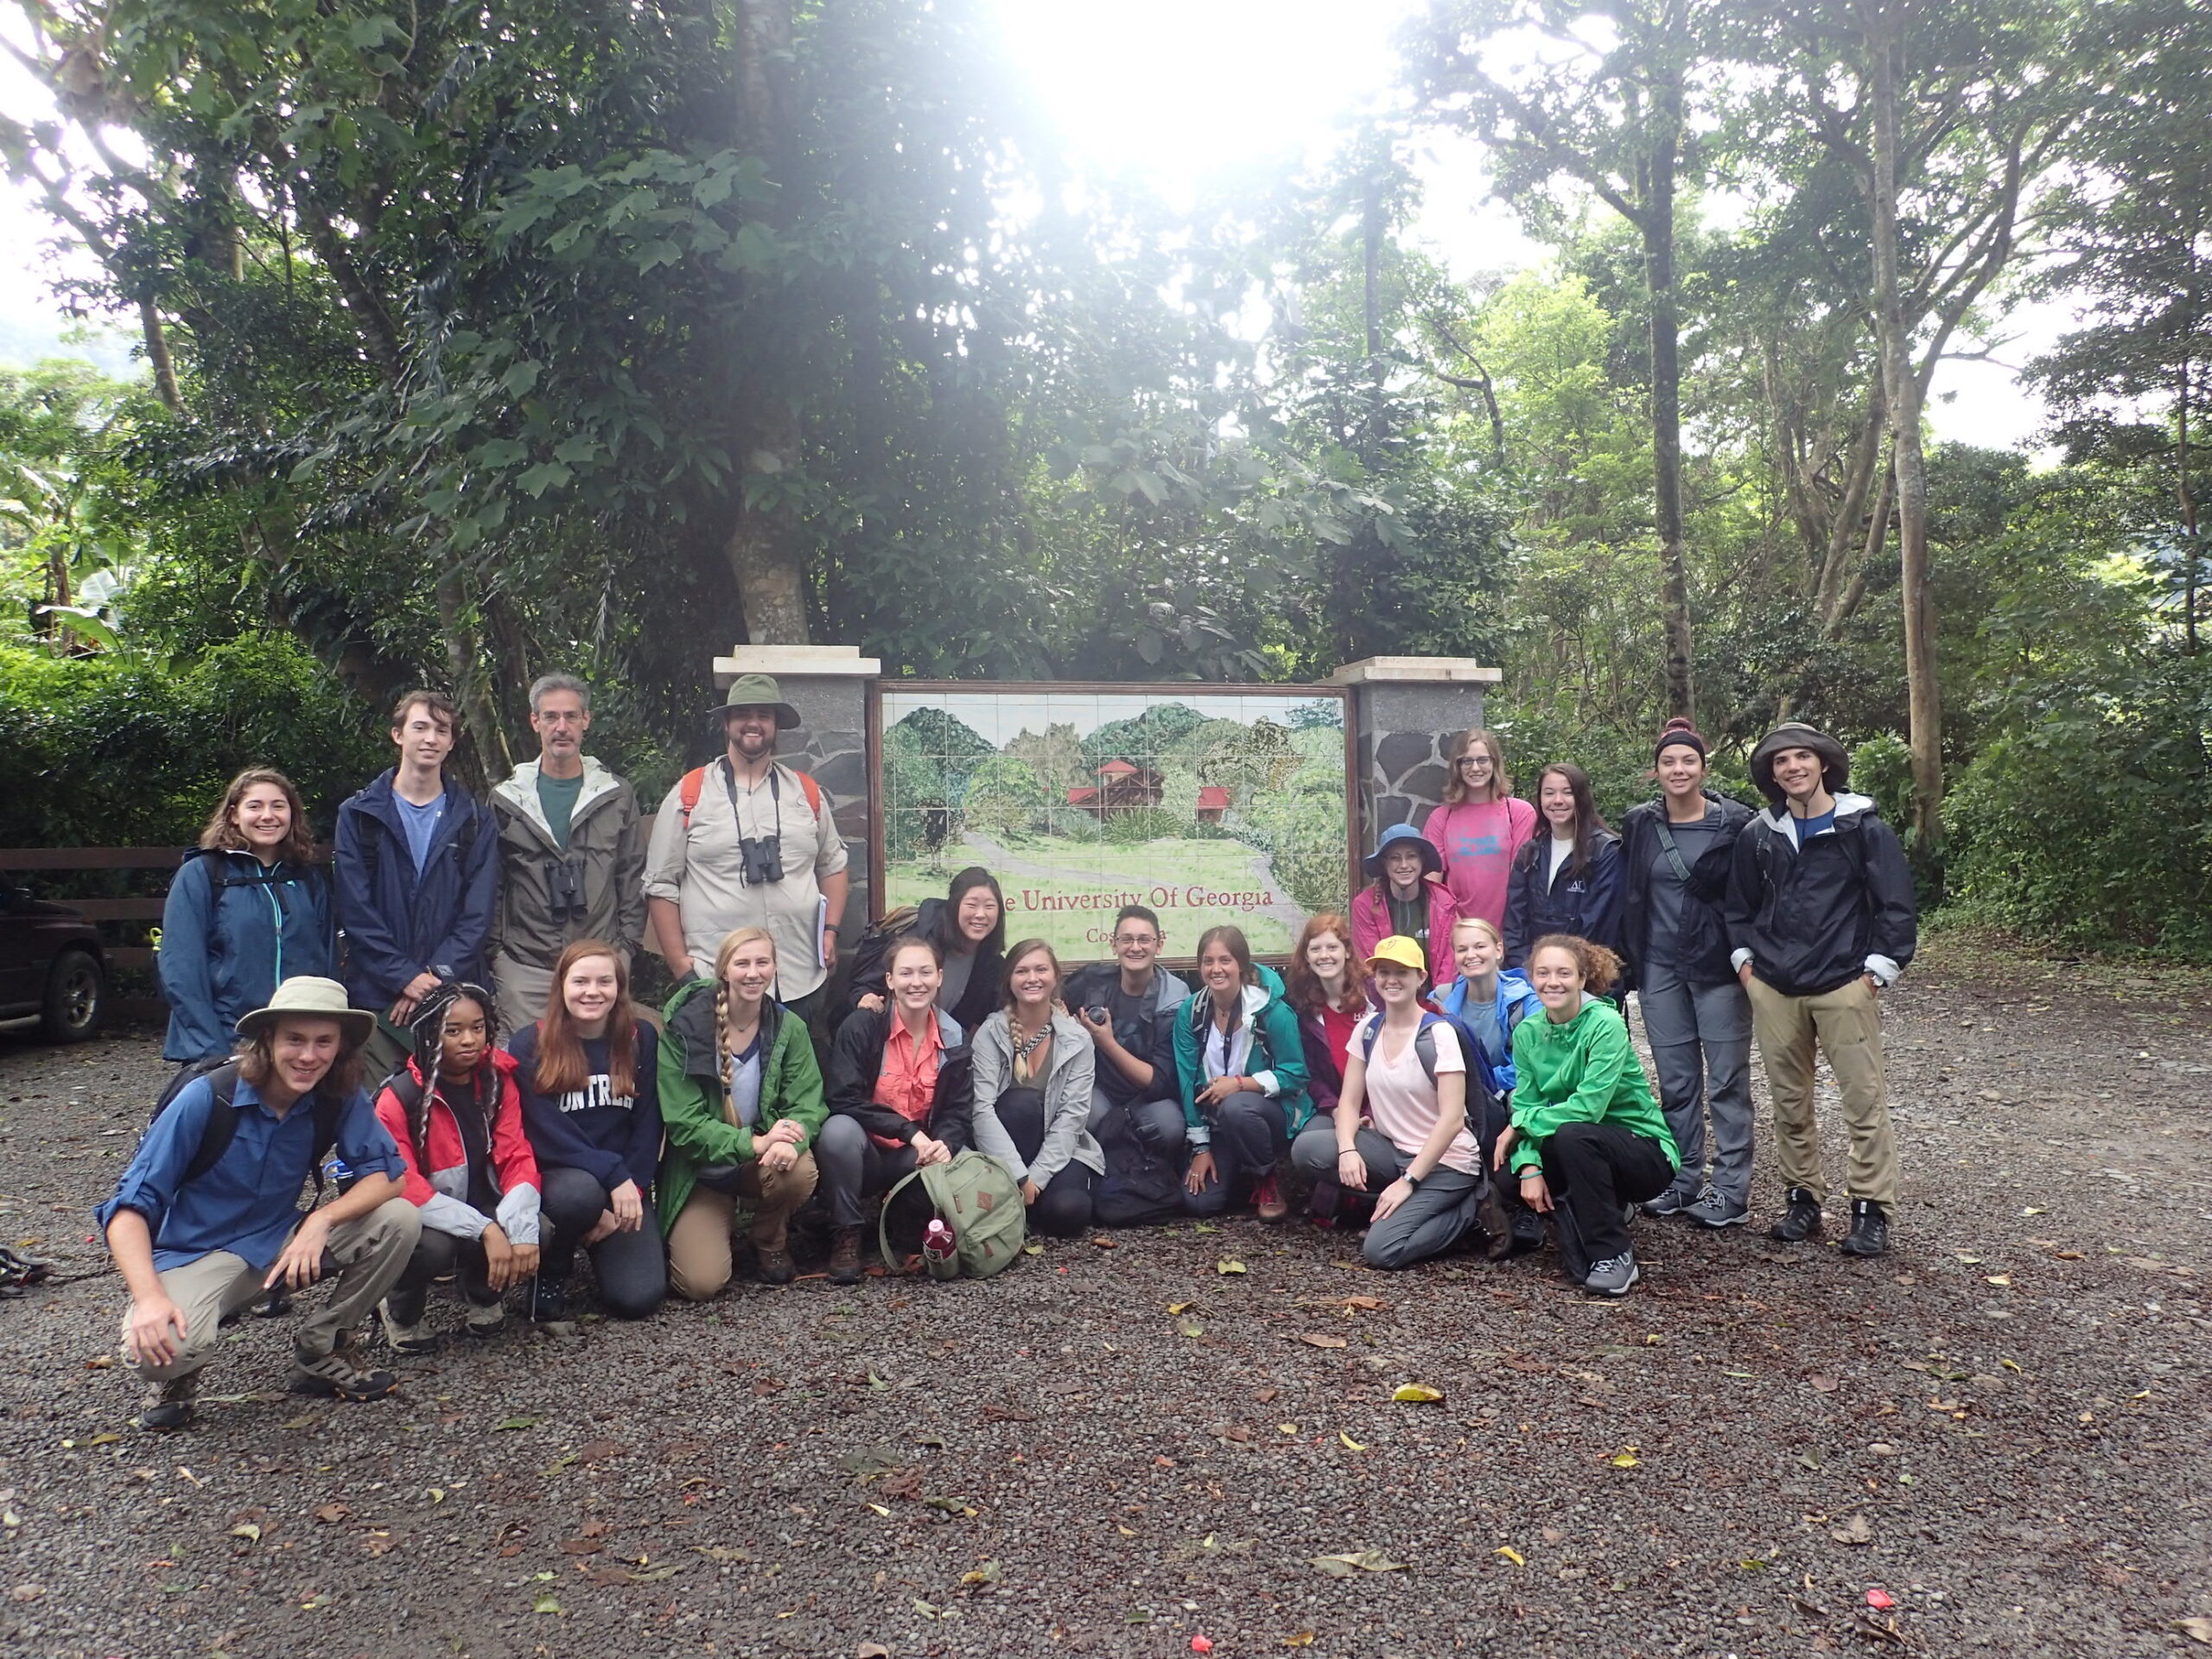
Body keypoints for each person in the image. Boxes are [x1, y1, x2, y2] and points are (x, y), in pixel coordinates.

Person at [96, 976, 421, 1429]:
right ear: (266, 1040)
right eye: (295, 1039)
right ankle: (180, 1375)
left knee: (398, 1220)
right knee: (158, 1353)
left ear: (340, 1047)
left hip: (278, 1245)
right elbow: (128, 1208)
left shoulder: (337, 1095)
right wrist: (149, 1297)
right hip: (197, 1252)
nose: (309, 1056)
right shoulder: (207, 1098)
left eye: (324, 1042)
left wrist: (320, 1221)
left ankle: (322, 1348)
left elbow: (389, 1180)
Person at [1725, 721, 1917, 1256]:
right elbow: (1738, 908)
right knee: (1789, 1100)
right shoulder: (1760, 834)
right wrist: (1747, 969)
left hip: (1843, 985)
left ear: (1823, 763)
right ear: (1772, 774)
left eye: (1802, 757)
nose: (1793, 768)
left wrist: (1876, 974)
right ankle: (1802, 1199)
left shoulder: (1862, 828)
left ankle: (1870, 1209)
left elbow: (1896, 905)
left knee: (1863, 1100)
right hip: (1775, 986)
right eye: (1781, 761)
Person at [644, 674, 849, 1028]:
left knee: (796, 1079)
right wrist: (681, 968)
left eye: (764, 715)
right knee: (722, 1081)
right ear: (727, 723)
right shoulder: (690, 793)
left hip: (799, 975)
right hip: (717, 978)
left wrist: (830, 932)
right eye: (742, 714)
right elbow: (661, 884)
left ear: (775, 726)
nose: (753, 723)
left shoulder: (805, 792)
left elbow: (833, 865)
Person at [1620, 718, 1757, 1228]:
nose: (1678, 769)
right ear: (1655, 771)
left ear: (1703, 767)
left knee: (1726, 1081)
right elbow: (1628, 891)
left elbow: (1752, 896)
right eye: (1668, 761)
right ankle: (1682, 1177)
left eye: (1688, 760)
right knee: (1676, 1082)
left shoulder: (1738, 825)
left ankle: (1731, 1187)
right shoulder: (1641, 825)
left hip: (1718, 969)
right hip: (1659, 968)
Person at [1290, 938, 1490, 1269]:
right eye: (1383, 972)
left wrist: (1407, 1182)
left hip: (1446, 1163)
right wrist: (1347, 1150)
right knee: (1308, 1148)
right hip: (1393, 1148)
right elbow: (1349, 1103)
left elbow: (1453, 1119)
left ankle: (1468, 1214)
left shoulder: (1438, 1034)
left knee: (1381, 1250)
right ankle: (1404, 1203)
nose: (1391, 980)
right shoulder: (1368, 1029)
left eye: (1401, 972)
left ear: (1420, 978)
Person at [1495, 936, 1678, 1296]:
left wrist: (1519, 1126)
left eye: (1564, 973)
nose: (1553, 982)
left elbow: (1588, 1109)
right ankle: (1600, 1206)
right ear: (1531, 978)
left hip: (1642, 1150)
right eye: (1543, 973)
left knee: (1573, 1136)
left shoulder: (1606, 1023)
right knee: (1507, 1175)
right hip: (1577, 1143)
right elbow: (1527, 1103)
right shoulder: (1529, 1031)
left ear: (1581, 979)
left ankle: (1615, 1254)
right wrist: (1530, 1166)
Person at [335, 689, 500, 1082]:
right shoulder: (359, 816)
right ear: (398, 735)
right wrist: (403, 977)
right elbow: (355, 910)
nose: (430, 738)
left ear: (451, 741)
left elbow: (477, 914)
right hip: (379, 998)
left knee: (451, 1115)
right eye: (420, 727)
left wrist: (431, 979)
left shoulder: (474, 820)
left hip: (455, 997)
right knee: (381, 1117)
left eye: (441, 730)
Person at [372, 981, 541, 1354]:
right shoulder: (398, 1098)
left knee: (535, 1223)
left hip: (482, 1200)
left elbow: (516, 1153)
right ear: (430, 1034)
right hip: (426, 1213)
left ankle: (483, 1293)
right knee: (425, 1248)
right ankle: (401, 1310)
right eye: (453, 1030)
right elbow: (406, 1185)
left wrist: (522, 1227)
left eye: (477, 1028)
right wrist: (485, 1229)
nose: (469, 1040)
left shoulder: (499, 1079)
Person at [657, 929, 824, 1297]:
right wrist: (756, 1143)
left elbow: (807, 1102)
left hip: (760, 1163)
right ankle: (716, 1224)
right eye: (742, 963)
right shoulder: (685, 1029)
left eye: (762, 962)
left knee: (798, 1169)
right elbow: (684, 1123)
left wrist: (790, 1137)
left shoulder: (789, 1027)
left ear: (775, 968)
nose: (753, 972)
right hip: (701, 1171)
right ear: (723, 970)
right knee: (699, 1284)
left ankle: (768, 1239)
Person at [510, 940, 665, 1325]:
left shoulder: (640, 1037)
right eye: (581, 981)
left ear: (619, 988)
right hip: (562, 1181)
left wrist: (627, 1191)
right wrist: (611, 1179)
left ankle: (601, 1240)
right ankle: (552, 1269)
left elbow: (649, 1124)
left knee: (637, 1298)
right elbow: (544, 1131)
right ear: (561, 987)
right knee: (578, 1195)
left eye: (604, 982)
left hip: (624, 1186)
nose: (592, 992)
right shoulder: (531, 1042)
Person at [487, 673, 647, 1035]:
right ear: (535, 721)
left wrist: (625, 949)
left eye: (571, 716)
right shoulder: (508, 798)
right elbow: (493, 880)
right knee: (526, 1073)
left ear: (586, 720)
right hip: (525, 965)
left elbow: (632, 873)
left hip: (599, 965)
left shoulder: (615, 794)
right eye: (550, 717)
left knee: (597, 1073)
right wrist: (497, 953)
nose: (562, 727)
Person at [819, 936, 975, 1284]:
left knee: (961, 1155)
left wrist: (944, 1143)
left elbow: (958, 1109)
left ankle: (913, 1220)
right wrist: (909, 1132)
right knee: (837, 1131)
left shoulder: (954, 1036)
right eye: (905, 973)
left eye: (925, 973)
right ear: (889, 980)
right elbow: (843, 1099)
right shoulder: (862, 1026)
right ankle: (847, 1230)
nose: (915, 982)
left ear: (939, 977)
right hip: (866, 1152)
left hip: (915, 1157)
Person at [160, 767, 335, 1065]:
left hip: (300, 1043)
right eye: (255, 806)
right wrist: (213, 1049)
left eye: (278, 806)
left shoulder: (307, 879)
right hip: (230, 1038)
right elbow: (182, 968)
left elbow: (328, 961)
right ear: (233, 815)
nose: (268, 815)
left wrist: (327, 1035)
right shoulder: (202, 875)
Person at [1172, 925, 1311, 1221]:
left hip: (1266, 1112)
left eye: (1225, 960)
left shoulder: (1271, 1011)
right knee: (1200, 1205)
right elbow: (1186, 1080)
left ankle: (1266, 1178)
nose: (1216, 969)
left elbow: (1296, 1074)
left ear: (1241, 965)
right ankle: (1237, 1174)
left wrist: (1240, 1084)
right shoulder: (1191, 1012)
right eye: (1208, 961)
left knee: (1237, 1107)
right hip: (1216, 1122)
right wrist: (1201, 1147)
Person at [969, 939, 1103, 1237]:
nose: (1032, 978)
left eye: (1041, 969)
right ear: (1009, 980)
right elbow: (981, 1111)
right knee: (1021, 1104)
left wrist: (1037, 1180)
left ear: (1055, 976)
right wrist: (1019, 1175)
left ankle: (1022, 1206)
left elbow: (1072, 1117)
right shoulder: (990, 1034)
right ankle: (1015, 1199)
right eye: (1022, 971)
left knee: (1071, 1212)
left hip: (1056, 1150)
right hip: (1004, 1150)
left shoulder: (1077, 1040)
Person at [1062, 904, 1185, 1154]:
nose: (1135, 947)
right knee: (1079, 1113)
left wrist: (1106, 1042)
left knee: (1170, 1125)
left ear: (1159, 945)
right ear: (1114, 944)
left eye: (1144, 940)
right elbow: (1054, 996)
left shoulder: (1173, 1000)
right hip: (1101, 1091)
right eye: (1127, 939)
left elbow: (1158, 1082)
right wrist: (1061, 1017)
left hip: (1151, 1101)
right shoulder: (1092, 980)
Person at [837, 867, 1005, 1034]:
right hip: (888, 1041)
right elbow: (864, 985)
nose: (980, 914)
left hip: (943, 1050)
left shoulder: (991, 963)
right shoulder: (917, 940)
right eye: (972, 905)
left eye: (989, 906)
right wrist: (865, 998)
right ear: (954, 906)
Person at [1282, 913, 1370, 1224]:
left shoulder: (1374, 997)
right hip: (1336, 1105)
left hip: (1382, 1103)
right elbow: (1313, 1076)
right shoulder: (1305, 1010)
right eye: (1316, 949)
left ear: (1347, 950)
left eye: (1332, 947)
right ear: (1306, 956)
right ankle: (1355, 1199)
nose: (1325, 956)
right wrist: (1334, 1109)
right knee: (1311, 1141)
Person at [1503, 763, 1623, 969]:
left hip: (1588, 974)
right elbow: (1515, 923)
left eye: (1567, 793)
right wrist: (1528, 971)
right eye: (1549, 793)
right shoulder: (1530, 853)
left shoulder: (1605, 851)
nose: (1557, 801)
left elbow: (1599, 925)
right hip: (1535, 975)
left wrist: (1563, 971)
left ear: (1581, 797)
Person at [1423, 728, 1539, 929]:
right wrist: (1459, 929)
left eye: (1482, 760)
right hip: (1458, 932)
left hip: (1511, 931)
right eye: (1467, 761)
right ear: (1457, 767)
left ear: (1494, 763)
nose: (1475, 768)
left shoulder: (1519, 813)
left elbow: (1523, 880)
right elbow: (1432, 886)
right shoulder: (1441, 818)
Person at [1351, 825, 1460, 991]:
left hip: (1436, 1002)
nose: (1404, 865)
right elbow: (1370, 967)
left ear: (1422, 861)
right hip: (1387, 1000)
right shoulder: (1365, 905)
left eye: (1411, 856)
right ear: (1384, 863)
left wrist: (1439, 1005)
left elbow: (1449, 963)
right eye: (1395, 858)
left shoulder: (1444, 902)